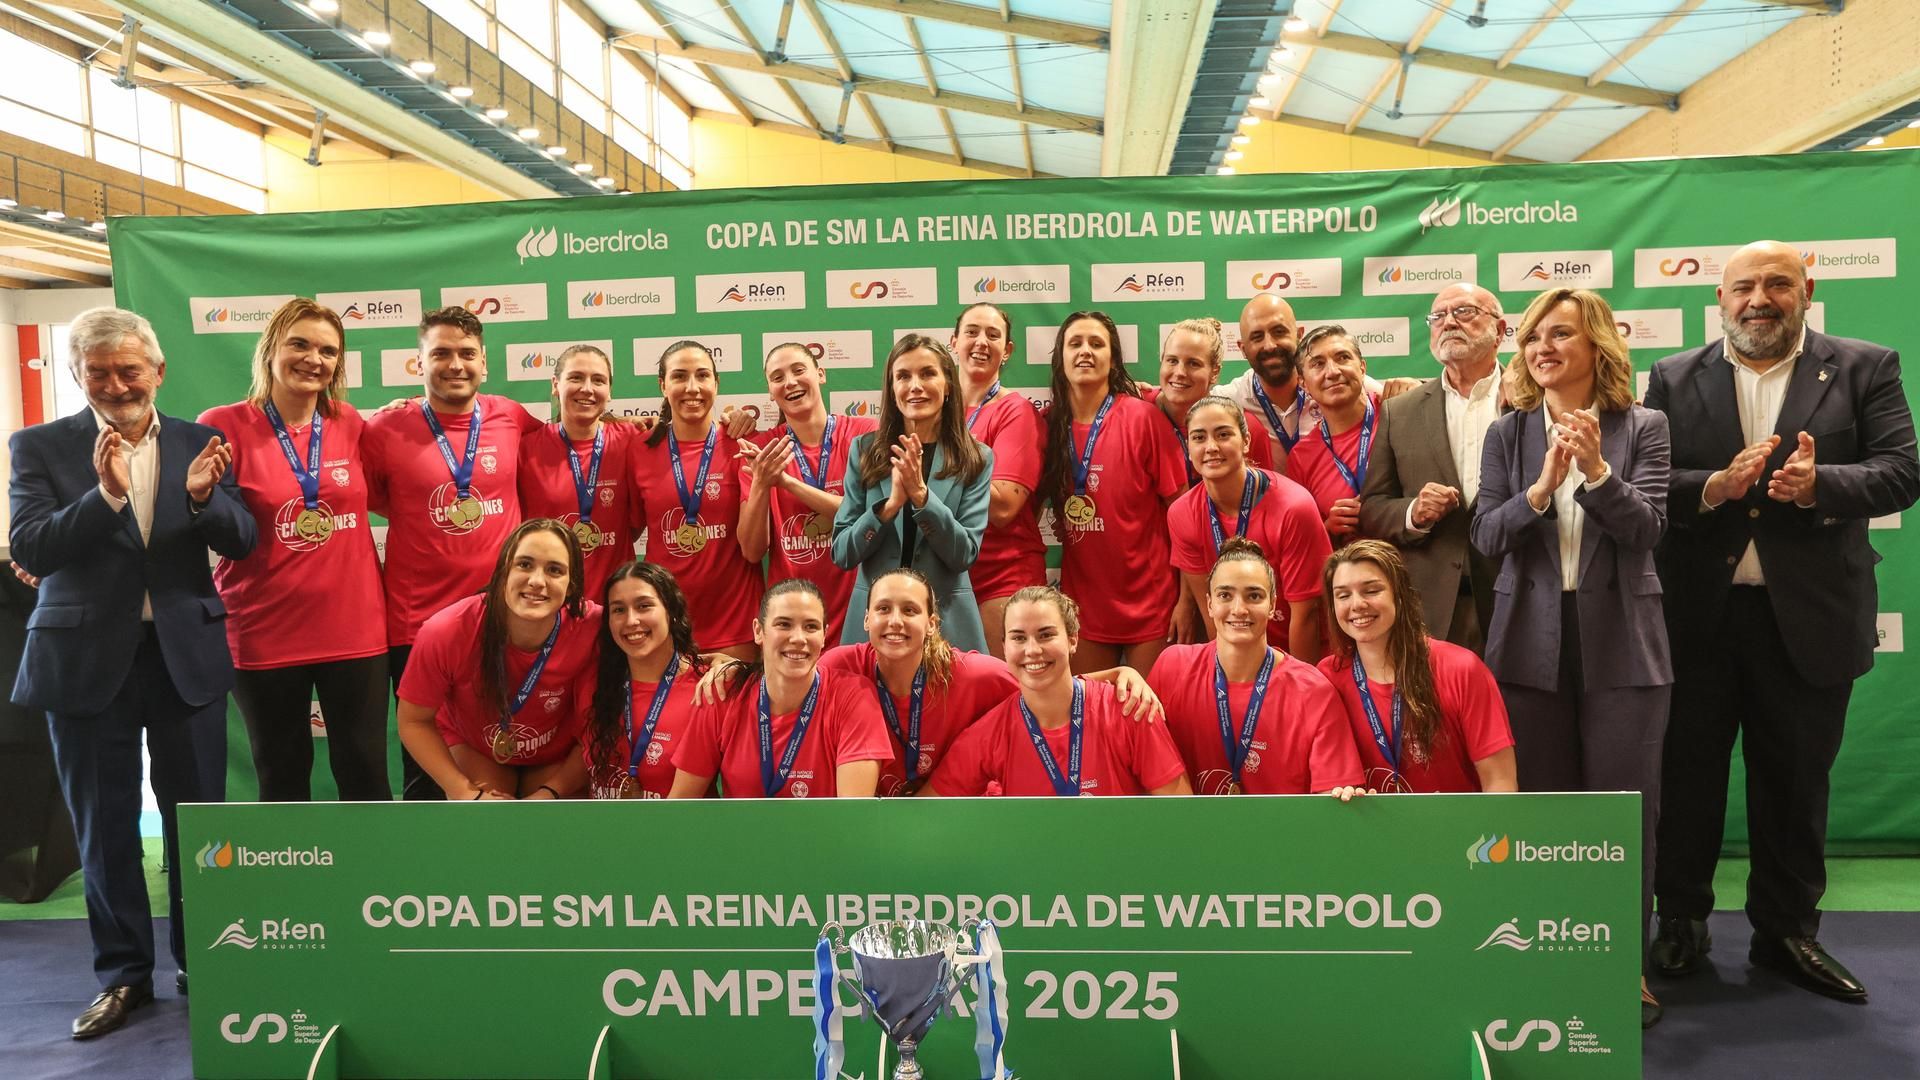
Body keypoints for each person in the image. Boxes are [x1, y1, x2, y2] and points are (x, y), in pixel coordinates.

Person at [1647, 240, 1920, 1007]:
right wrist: (1714, 487)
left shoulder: (1866, 365)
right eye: (1742, 287)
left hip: (1810, 618)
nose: (1757, 299)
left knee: (1796, 784)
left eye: (1775, 284)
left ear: (1807, 288)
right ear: (1720, 299)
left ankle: (1787, 932)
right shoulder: (1672, 376)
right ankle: (1682, 921)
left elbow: (1902, 469)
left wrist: (1818, 484)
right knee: (1688, 778)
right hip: (1698, 619)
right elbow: (1651, 482)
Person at [8, 306, 256, 1036]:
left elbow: (242, 541)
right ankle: (122, 976)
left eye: (129, 370)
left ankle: (202, 960)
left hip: (183, 657)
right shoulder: (39, 446)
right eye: (100, 372)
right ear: (79, 375)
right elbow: (33, 546)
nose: (117, 384)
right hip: (85, 661)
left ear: (159, 371)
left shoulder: (201, 442)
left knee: (197, 823)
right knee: (104, 827)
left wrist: (207, 500)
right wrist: (107, 495)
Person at [1469, 288, 1673, 1028]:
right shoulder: (1508, 433)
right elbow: (1488, 536)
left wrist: (1595, 474)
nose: (1542, 348)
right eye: (1532, 337)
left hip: (1624, 643)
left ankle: (1627, 968)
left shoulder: (1643, 425)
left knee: (1626, 816)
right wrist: (1542, 488)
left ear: (1597, 346)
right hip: (1529, 644)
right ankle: (1551, 959)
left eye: (1561, 334)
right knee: (1546, 817)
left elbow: (1648, 528)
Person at [198, 299, 389, 803]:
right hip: (264, 629)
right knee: (281, 772)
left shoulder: (350, 422)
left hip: (354, 628)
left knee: (365, 770)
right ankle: (293, 878)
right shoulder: (222, 424)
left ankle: (371, 878)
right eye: (300, 344)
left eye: (328, 350)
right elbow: (210, 523)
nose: (314, 359)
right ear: (270, 351)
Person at [364, 306, 546, 799]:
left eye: (467, 353)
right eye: (440, 353)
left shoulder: (510, 416)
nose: (455, 364)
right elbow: (370, 498)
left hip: (499, 621)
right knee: (426, 765)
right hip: (417, 623)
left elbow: (571, 440)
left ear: (484, 363)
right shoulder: (383, 430)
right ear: (417, 363)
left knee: (500, 751)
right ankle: (423, 872)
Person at [396, 519, 599, 800]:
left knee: (550, 824)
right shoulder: (447, 630)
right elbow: (413, 721)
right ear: (503, 571)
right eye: (524, 564)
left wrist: (551, 792)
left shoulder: (594, 628)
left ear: (571, 584)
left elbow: (601, 726)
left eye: (554, 570)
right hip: (476, 748)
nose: (537, 581)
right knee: (488, 820)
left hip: (558, 754)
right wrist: (461, 791)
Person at [925, 586, 1191, 797]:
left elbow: (1181, 814)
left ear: (1072, 639)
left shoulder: (1130, 708)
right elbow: (923, 808)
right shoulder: (989, 733)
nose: (1032, 650)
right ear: (1004, 646)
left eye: (1045, 635)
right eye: (1019, 638)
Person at [1358, 284, 1509, 651]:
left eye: (1465, 312)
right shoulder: (1400, 411)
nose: (1449, 323)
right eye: (1438, 316)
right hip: (1434, 610)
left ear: (1500, 331)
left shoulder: (1531, 399)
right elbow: (1373, 508)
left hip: (1518, 596)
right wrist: (1413, 513)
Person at [1148, 538, 1363, 796]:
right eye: (1225, 595)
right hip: (1192, 833)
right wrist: (1122, 673)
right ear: (1209, 605)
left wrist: (1341, 798)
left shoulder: (1313, 691)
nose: (1239, 609)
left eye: (1254, 596)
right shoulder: (1172, 668)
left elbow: (1329, 801)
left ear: (1272, 605)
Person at [1039, 311, 1189, 672]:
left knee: (1151, 716)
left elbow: (1185, 515)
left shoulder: (1144, 418)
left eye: (1096, 343)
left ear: (1113, 357)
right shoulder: (1047, 427)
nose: (1085, 352)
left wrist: (1187, 600)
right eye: (1075, 343)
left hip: (1154, 605)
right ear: (1061, 357)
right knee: (1092, 717)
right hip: (1084, 608)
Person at [831, 335, 992, 652]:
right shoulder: (864, 451)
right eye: (903, 376)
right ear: (892, 389)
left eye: (928, 373)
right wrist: (887, 508)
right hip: (874, 628)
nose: (915, 385)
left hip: (948, 628)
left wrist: (922, 496)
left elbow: (963, 554)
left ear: (948, 385)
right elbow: (842, 553)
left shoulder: (976, 457)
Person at [1318, 541, 1516, 795]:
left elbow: (1500, 783)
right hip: (1370, 832)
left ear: (1400, 596)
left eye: (1371, 590)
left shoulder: (1462, 670)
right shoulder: (1327, 677)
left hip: (1457, 831)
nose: (1357, 604)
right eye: (1343, 595)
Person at [668, 579, 893, 798]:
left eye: (811, 627)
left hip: (825, 836)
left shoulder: (854, 696)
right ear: (758, 631)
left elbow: (852, 817)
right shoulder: (722, 693)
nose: (798, 638)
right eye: (784, 624)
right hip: (741, 836)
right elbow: (680, 808)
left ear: (824, 635)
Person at [1167, 395, 1329, 660]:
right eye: (1198, 437)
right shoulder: (1181, 513)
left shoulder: (1293, 507)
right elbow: (1211, 614)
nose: (1211, 447)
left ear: (1245, 442)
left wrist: (1298, 683)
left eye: (1223, 434)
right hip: (1240, 651)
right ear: (1187, 447)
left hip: (1300, 650)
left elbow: (1306, 615)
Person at [736, 342, 877, 644]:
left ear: (820, 374)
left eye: (799, 370)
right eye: (777, 377)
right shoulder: (761, 450)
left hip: (861, 616)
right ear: (771, 392)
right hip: (794, 623)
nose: (789, 382)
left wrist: (787, 483)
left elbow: (869, 518)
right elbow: (751, 550)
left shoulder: (864, 435)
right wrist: (762, 483)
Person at [633, 340, 763, 660]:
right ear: (663, 385)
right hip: (663, 626)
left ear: (716, 384)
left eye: (702, 376)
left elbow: (755, 548)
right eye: (679, 377)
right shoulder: (638, 448)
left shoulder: (743, 445)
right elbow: (629, 528)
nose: (692, 387)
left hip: (735, 627)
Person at [950, 304, 1049, 658]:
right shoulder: (932, 407)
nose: (981, 342)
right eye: (972, 332)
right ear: (953, 342)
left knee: (1007, 690)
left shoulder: (1015, 411)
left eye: (993, 335)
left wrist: (942, 459)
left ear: (1007, 351)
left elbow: (1005, 506)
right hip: (947, 572)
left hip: (1002, 572)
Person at [518, 344, 645, 603]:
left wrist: (733, 418)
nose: (587, 389)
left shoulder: (632, 441)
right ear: (556, 384)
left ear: (609, 391)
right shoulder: (526, 448)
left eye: (598, 380)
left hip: (616, 608)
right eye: (576, 377)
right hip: (547, 606)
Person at [1222, 293, 1392, 473]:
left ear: (1299, 335)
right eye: (1257, 337)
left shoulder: (1335, 381)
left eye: (1279, 332)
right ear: (1242, 348)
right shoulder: (1229, 399)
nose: (1270, 345)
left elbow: (1399, 402)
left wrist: (1409, 387)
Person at [582, 561, 708, 799]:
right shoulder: (592, 683)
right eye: (618, 610)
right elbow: (577, 752)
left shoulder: (707, 687)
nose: (631, 621)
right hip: (600, 832)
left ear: (671, 611)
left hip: (676, 833)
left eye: (644, 606)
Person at [1285, 325, 1380, 543]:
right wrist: (1327, 528)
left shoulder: (1397, 414)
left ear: (1362, 368)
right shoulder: (1302, 457)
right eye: (1318, 364)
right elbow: (1305, 540)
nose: (1333, 372)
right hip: (1348, 569)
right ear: (1303, 383)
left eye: (1342, 358)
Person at [1148, 317, 1277, 476]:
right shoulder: (1136, 409)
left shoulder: (1245, 427)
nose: (1180, 372)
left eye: (1193, 363)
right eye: (1172, 360)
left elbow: (1263, 493)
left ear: (1214, 372)